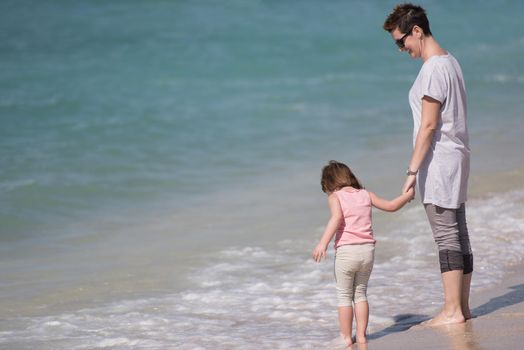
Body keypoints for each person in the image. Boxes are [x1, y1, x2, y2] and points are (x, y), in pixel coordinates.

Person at [383, 3, 473, 327]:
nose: (401, 48)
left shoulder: (434, 69)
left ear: (417, 31)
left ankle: (451, 311)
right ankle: (461, 307)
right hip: (457, 157)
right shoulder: (452, 62)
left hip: (439, 162)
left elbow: (429, 125)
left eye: (401, 40)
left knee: (446, 236)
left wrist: (411, 172)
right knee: (458, 231)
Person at [312, 160, 414, 347]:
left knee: (344, 295)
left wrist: (322, 243)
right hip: (367, 251)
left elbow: (336, 218)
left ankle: (345, 337)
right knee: (360, 294)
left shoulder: (335, 197)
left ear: (329, 183)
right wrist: (407, 196)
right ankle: (361, 336)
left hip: (347, 252)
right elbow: (391, 206)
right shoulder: (365, 194)